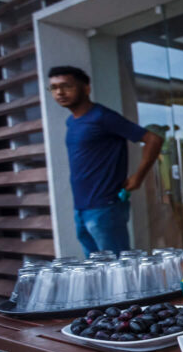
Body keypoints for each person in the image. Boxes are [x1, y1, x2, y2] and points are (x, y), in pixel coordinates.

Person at [47, 66, 165, 255]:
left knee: (118, 268)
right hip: (81, 208)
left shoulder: (102, 117)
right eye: (53, 87)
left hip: (105, 207)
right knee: (97, 271)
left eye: (66, 86)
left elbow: (153, 139)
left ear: (86, 88)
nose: (59, 92)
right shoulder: (72, 122)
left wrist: (138, 177)